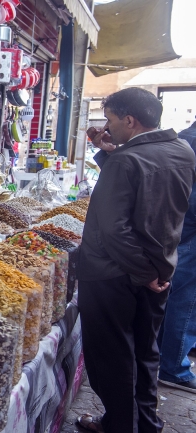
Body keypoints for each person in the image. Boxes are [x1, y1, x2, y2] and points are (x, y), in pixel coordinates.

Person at [77, 87, 196, 433]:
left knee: (113, 360)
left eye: (111, 120)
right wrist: (110, 151)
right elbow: (149, 185)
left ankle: (121, 427)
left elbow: (114, 229)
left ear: (129, 120)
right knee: (144, 355)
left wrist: (142, 273)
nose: (107, 127)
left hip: (115, 275)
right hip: (160, 267)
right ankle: (145, 423)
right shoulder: (182, 150)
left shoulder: (128, 160)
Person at [156, 115, 196, 393]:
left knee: (176, 298)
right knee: (185, 301)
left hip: (180, 232)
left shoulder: (183, 138)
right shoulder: (188, 143)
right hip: (188, 234)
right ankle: (174, 368)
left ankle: (164, 359)